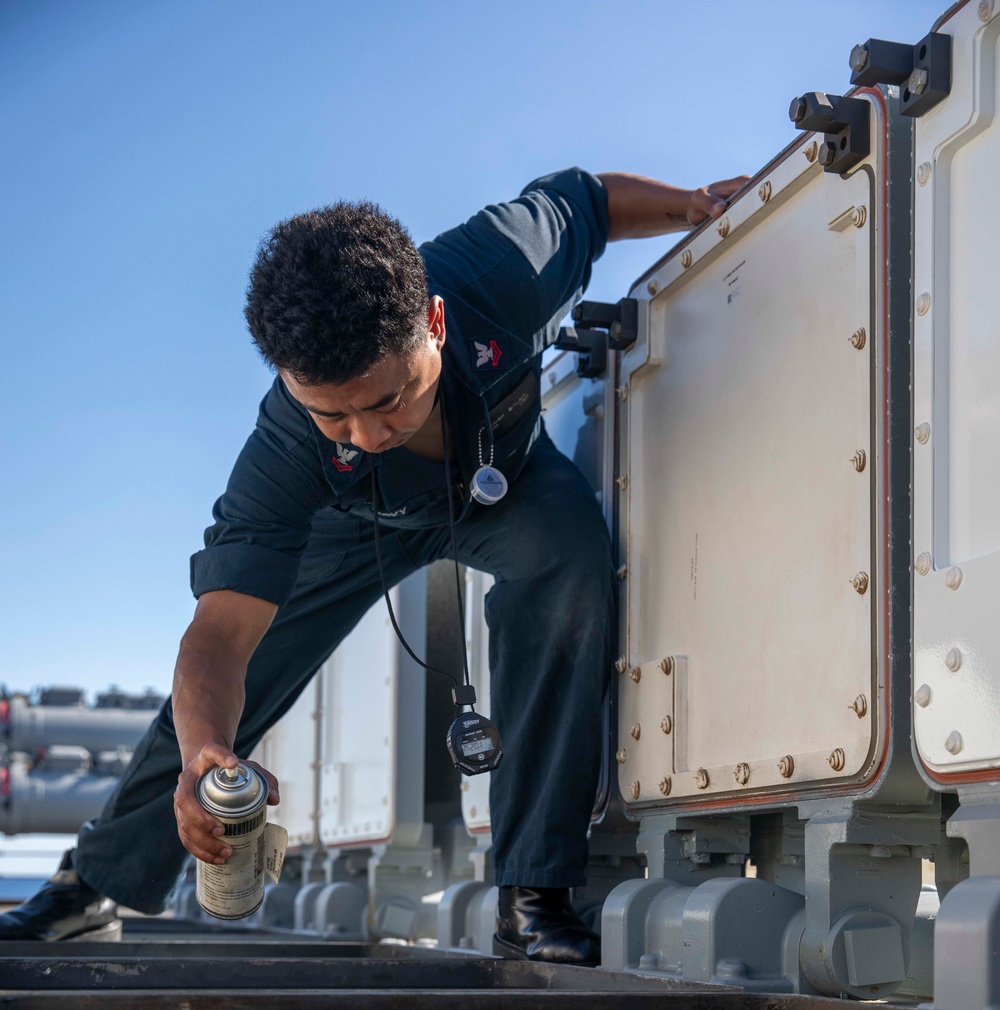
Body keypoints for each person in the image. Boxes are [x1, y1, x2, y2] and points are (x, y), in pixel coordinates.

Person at [0, 167, 746, 961]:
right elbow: (217, 635)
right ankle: (92, 884)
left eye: (388, 400)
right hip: (355, 523)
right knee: (224, 705)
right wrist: (201, 756)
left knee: (566, 566)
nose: (363, 433)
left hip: (507, 483)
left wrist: (693, 209)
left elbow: (590, 203)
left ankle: (533, 893)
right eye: (332, 414)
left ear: (432, 320)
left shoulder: (500, 266)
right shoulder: (286, 449)